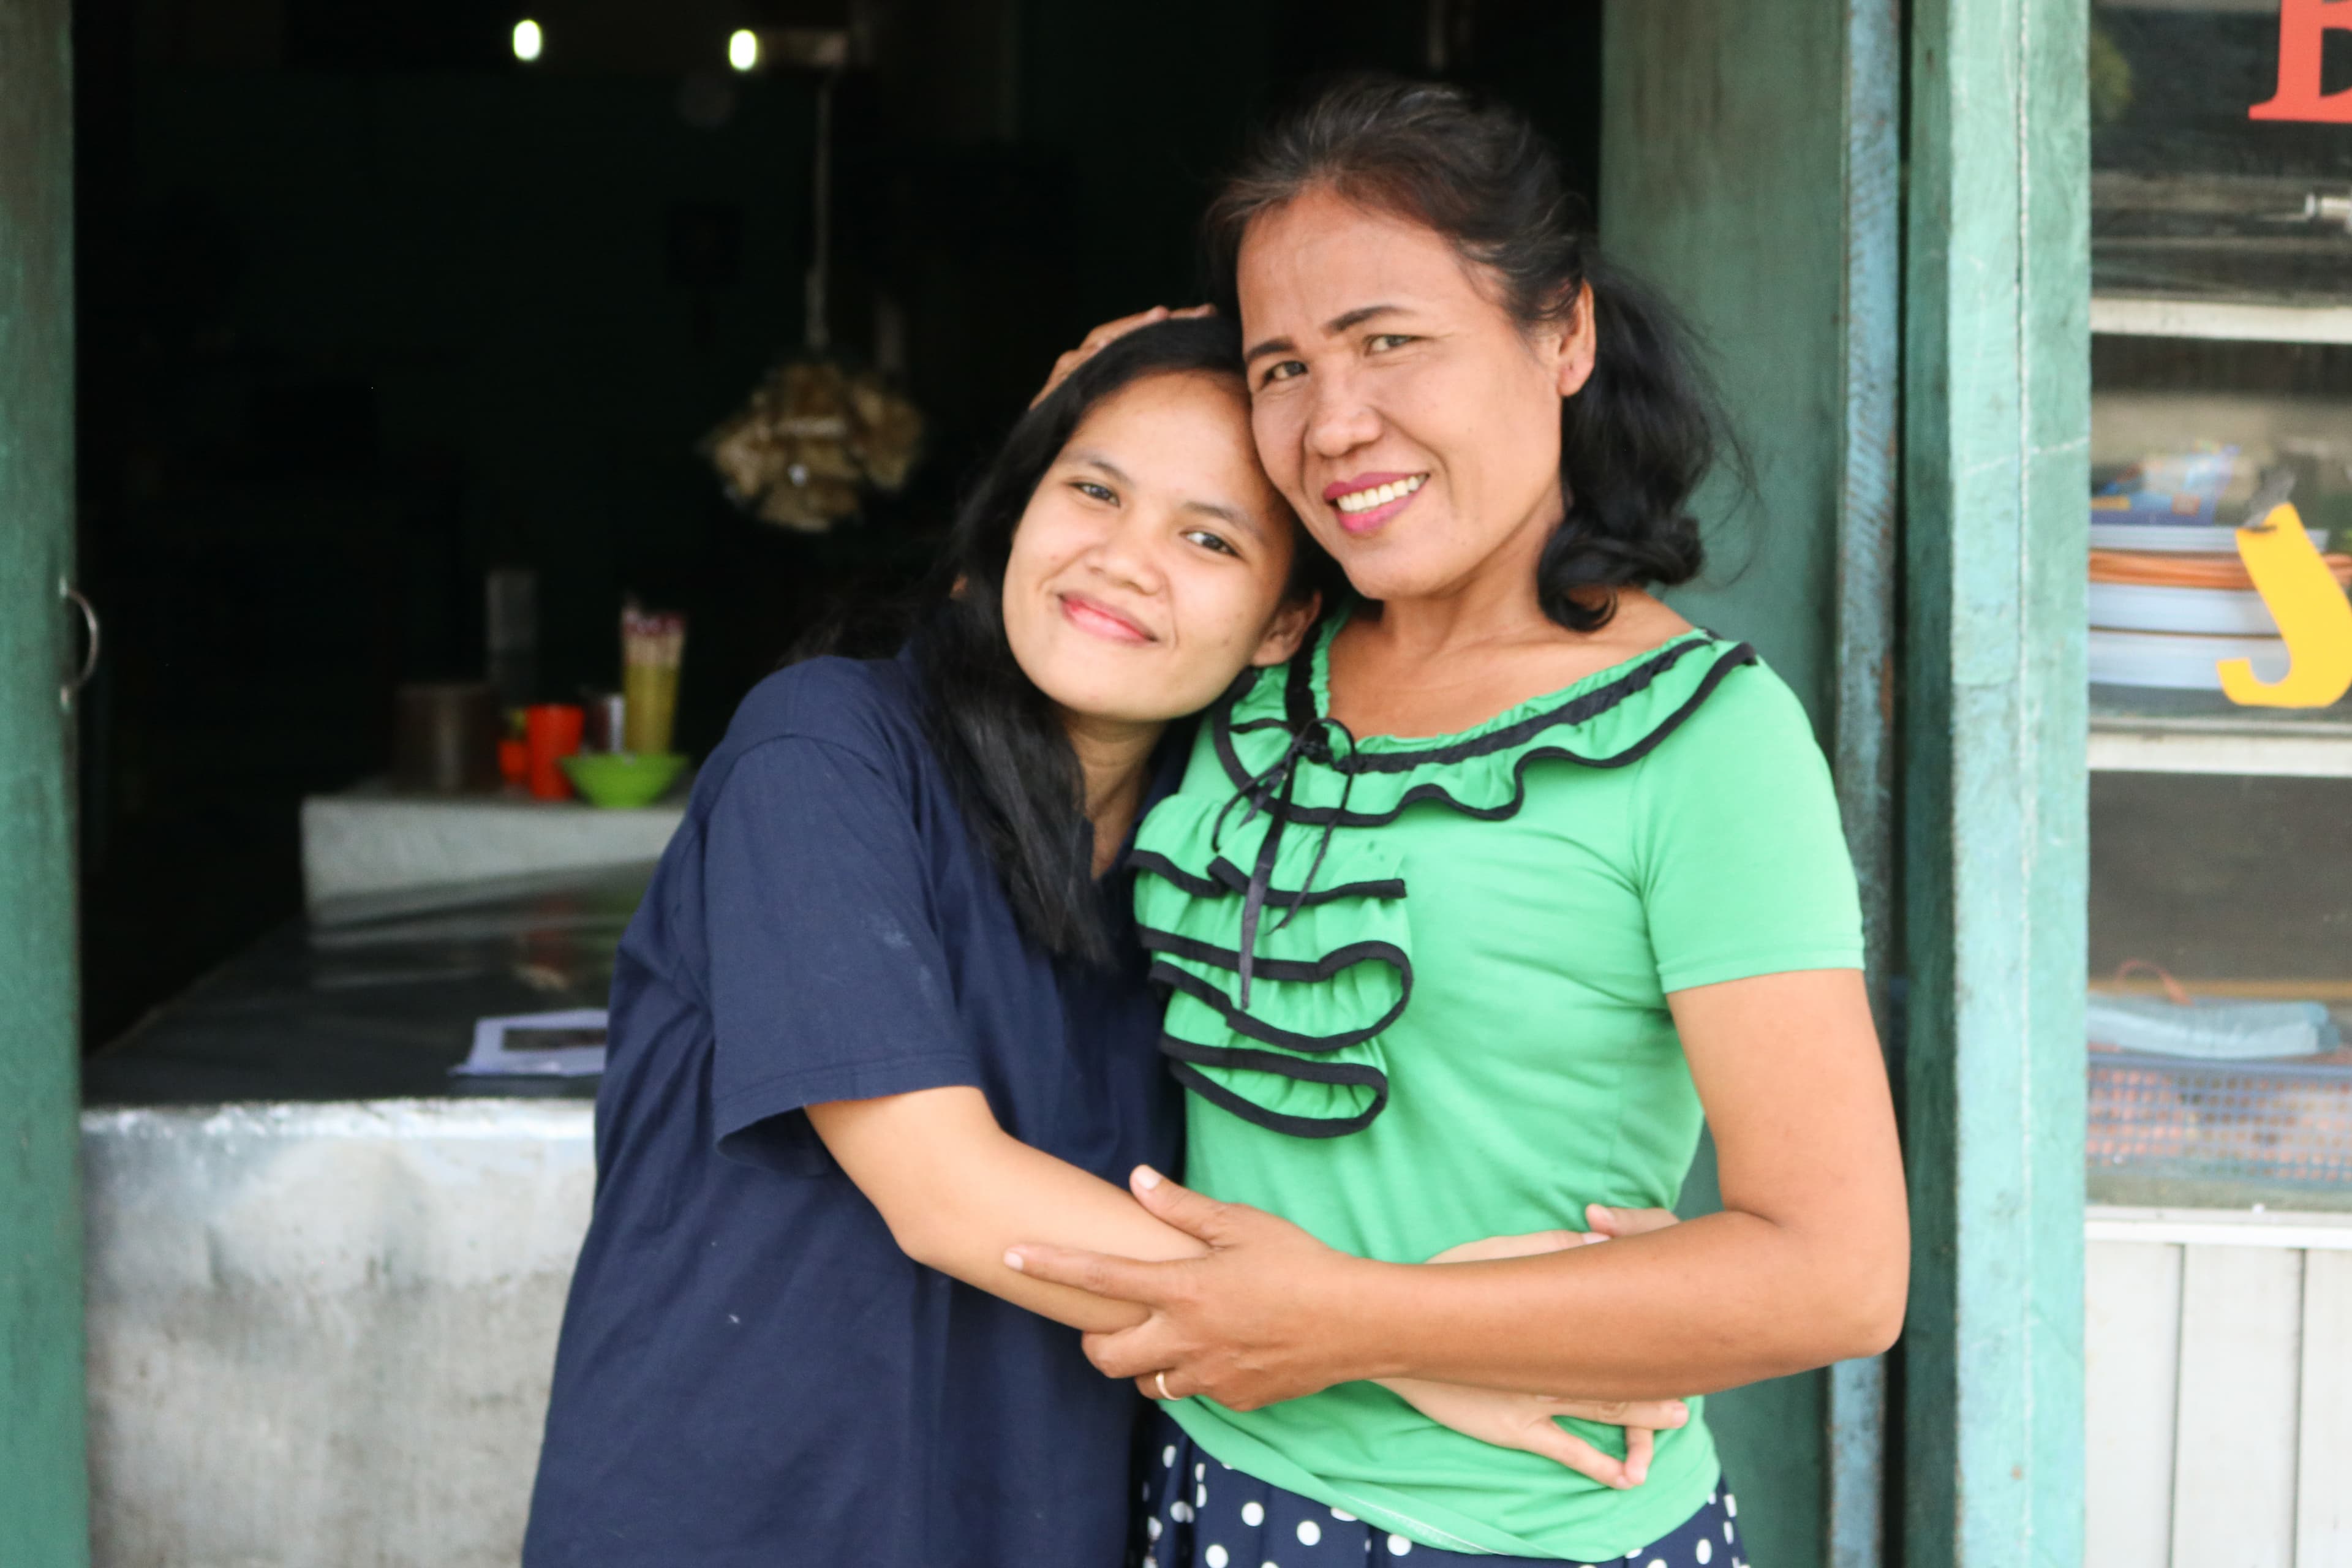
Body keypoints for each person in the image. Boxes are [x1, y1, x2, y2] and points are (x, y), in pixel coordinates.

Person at [521, 316, 1679, 1568]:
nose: (1123, 559)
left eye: (1209, 535)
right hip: (741, 1522)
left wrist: (1570, 1291)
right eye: (1092, 488)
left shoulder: (1217, 871)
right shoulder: (825, 754)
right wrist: (1413, 1340)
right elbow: (948, 1193)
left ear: (1287, 619)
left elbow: (1357, 1156)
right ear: (1021, 511)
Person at [1006, 77, 1912, 1567]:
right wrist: (1110, 380)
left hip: (1521, 1535)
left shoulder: (1707, 743)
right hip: (1193, 1480)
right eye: (1281, 365)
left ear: (1563, 331)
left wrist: (1357, 1320)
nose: (1335, 422)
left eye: (1390, 340)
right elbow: (1045, 584)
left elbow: (1836, 1272)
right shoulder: (1260, 650)